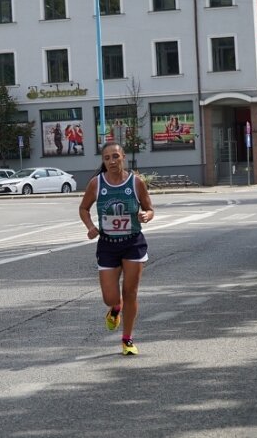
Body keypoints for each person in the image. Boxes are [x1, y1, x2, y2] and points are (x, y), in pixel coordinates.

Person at [79, 142, 155, 356]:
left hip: (133, 243)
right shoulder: (97, 183)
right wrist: (91, 227)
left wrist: (146, 216)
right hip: (108, 245)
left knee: (130, 293)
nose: (111, 161)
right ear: (103, 161)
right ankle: (115, 309)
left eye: (115, 156)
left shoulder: (136, 182)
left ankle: (127, 339)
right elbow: (83, 208)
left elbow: (149, 208)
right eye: (107, 158)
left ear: (123, 158)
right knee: (110, 297)